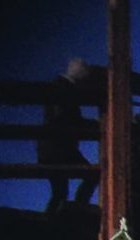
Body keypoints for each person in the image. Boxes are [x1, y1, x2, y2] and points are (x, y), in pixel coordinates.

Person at [37, 60, 97, 213]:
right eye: (85, 75)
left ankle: (53, 219)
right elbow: (63, 116)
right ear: (80, 73)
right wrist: (91, 125)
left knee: (60, 192)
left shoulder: (60, 85)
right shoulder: (62, 87)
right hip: (59, 147)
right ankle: (77, 208)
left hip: (52, 147)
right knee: (90, 175)